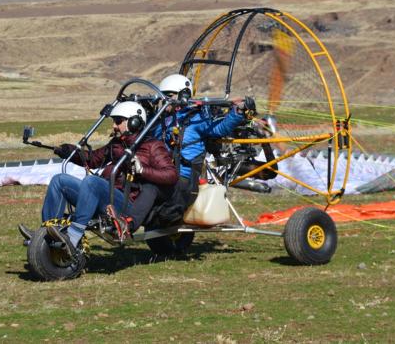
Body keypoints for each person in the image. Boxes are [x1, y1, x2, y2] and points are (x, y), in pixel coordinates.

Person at [19, 101, 178, 258]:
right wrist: (68, 151)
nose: (114, 126)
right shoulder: (116, 144)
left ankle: (73, 237)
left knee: (92, 182)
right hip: (105, 196)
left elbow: (171, 175)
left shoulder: (152, 146)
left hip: (126, 204)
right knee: (59, 180)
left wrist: (142, 170)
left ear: (134, 122)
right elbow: (92, 159)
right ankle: (47, 234)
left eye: (118, 122)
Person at [141, 73, 254, 226]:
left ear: (183, 95)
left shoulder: (195, 118)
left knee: (168, 212)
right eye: (163, 96)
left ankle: (143, 220)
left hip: (183, 174)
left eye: (169, 95)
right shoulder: (159, 119)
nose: (165, 100)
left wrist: (238, 112)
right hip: (161, 170)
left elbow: (219, 129)